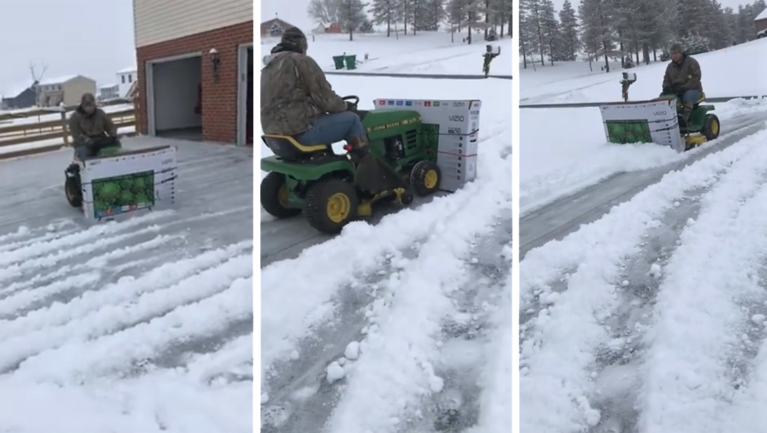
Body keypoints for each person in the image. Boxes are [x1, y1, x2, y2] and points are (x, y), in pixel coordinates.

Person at [259, 27, 369, 157]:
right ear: (302, 45)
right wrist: (346, 106)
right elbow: (325, 99)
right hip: (299, 133)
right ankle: (365, 166)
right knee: (353, 120)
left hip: (275, 136)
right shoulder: (301, 61)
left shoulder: (268, 68)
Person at [68, 93, 120, 160]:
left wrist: (112, 134)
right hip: (84, 143)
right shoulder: (75, 117)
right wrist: (86, 140)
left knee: (115, 144)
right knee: (83, 152)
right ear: (82, 106)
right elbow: (76, 134)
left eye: (91, 105)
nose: (89, 108)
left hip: (100, 139)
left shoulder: (100, 113)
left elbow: (109, 126)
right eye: (87, 106)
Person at [661, 43, 703, 124]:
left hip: (693, 89)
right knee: (662, 97)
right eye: (672, 53)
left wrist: (685, 87)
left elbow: (696, 77)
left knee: (687, 96)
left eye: (676, 53)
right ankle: (664, 118)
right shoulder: (670, 66)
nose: (674, 55)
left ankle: (684, 118)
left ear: (681, 53)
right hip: (676, 90)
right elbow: (666, 79)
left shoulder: (691, 62)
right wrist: (666, 87)